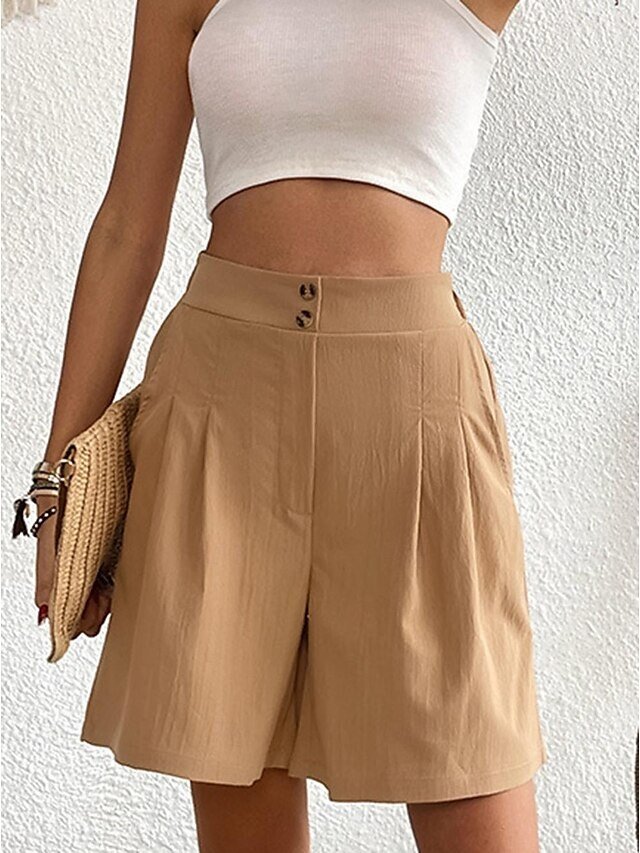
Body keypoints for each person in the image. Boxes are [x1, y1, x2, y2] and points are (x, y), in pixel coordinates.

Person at [31, 1, 547, 850]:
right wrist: (58, 483)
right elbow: (127, 226)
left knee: (475, 766)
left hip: (413, 417)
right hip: (221, 406)